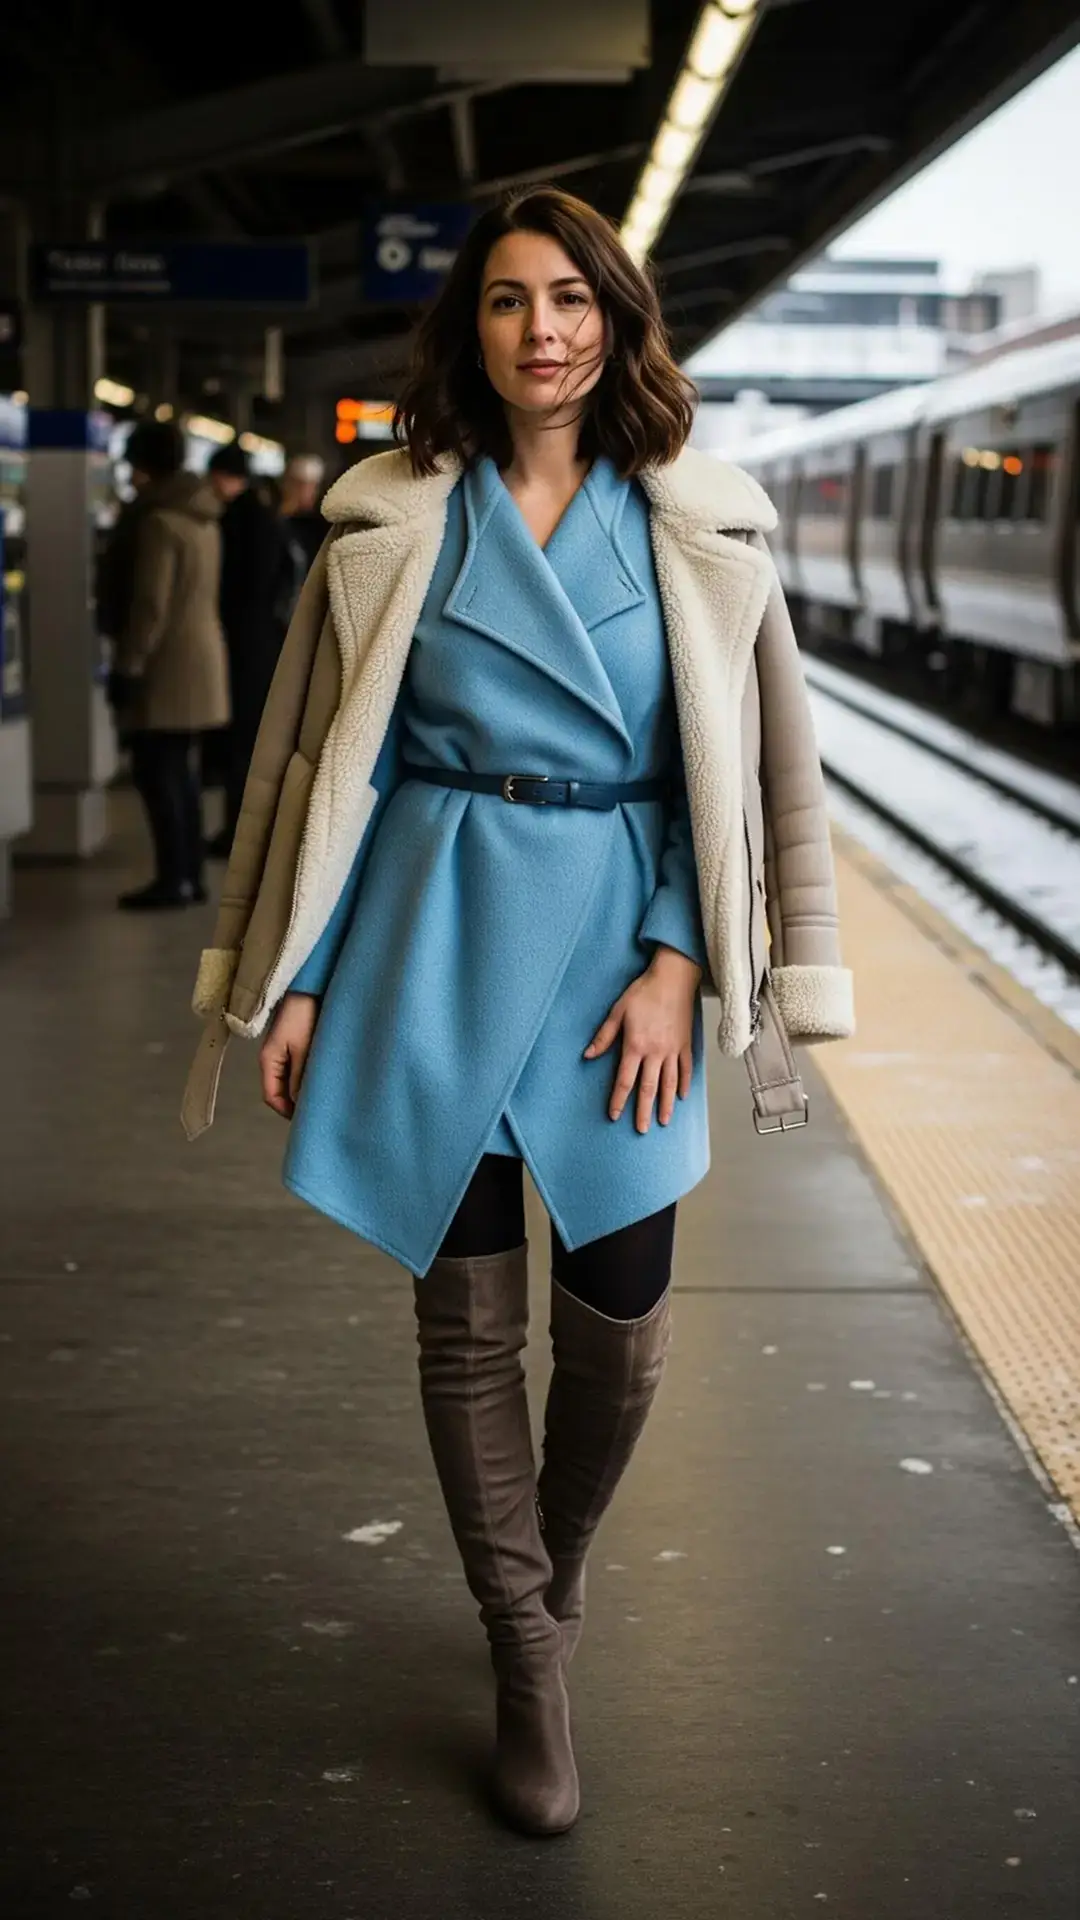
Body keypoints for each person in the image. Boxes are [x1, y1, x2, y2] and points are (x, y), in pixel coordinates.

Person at [183, 188, 854, 1835]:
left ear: (617, 322)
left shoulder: (703, 521)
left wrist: (689, 962)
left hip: (626, 943)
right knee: (468, 1329)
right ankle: (527, 1652)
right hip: (429, 925)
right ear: (466, 328)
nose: (540, 329)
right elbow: (314, 767)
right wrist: (299, 976)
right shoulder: (392, 514)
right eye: (506, 300)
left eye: (571, 299)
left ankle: (542, 1581)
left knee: (619, 1338)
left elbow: (765, 774)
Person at [109, 419, 228, 910]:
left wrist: (129, 665)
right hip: (201, 659)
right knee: (181, 773)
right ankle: (189, 875)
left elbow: (150, 606)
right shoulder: (203, 518)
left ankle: (172, 878)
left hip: (167, 665)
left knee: (158, 773)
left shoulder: (158, 522)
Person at [204, 442, 292, 857]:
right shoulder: (267, 517)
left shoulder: (237, 520)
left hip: (243, 642)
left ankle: (237, 830)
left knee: (241, 740)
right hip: (265, 639)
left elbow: (234, 586)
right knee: (252, 738)